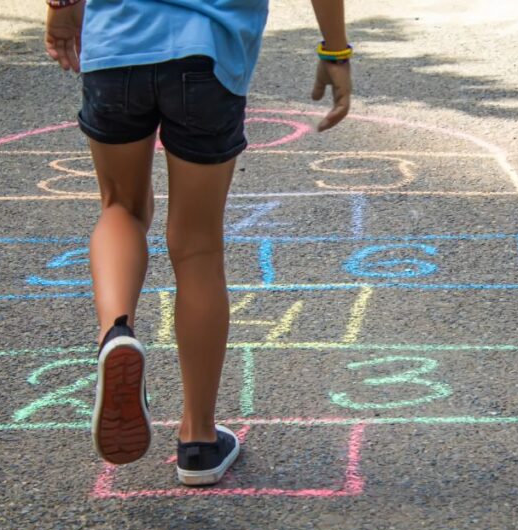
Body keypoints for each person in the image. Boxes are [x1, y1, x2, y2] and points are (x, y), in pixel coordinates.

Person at [44, 0, 352, 486]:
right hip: (209, 55)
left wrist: (61, 6)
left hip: (116, 44)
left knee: (121, 207)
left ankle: (116, 332)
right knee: (197, 246)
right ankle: (199, 442)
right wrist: (335, 50)